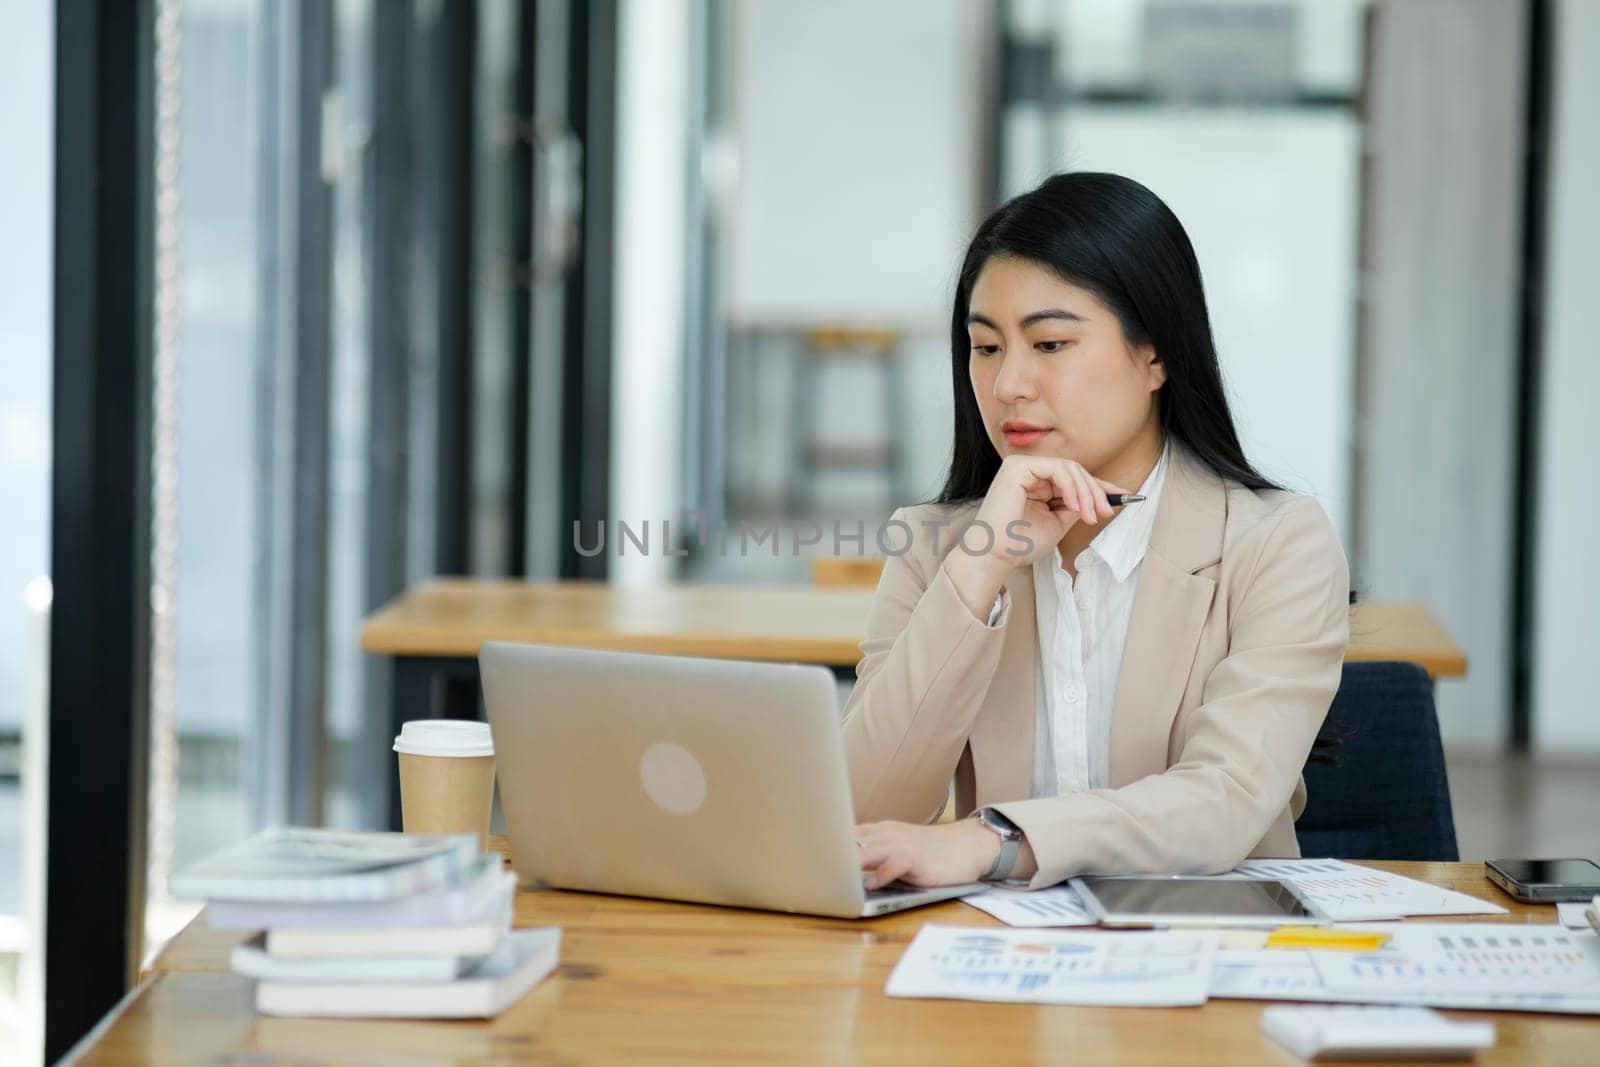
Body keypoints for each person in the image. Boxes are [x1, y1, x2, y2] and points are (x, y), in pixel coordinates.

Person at [846, 172, 1350, 891]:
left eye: (1049, 344)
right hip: (992, 969)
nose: (1008, 384)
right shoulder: (938, 547)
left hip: (1211, 955)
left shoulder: (1277, 542)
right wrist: (978, 570)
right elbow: (865, 811)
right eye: (986, 348)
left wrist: (993, 840)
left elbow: (1223, 801)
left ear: (1156, 354)